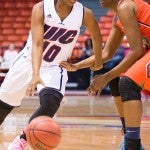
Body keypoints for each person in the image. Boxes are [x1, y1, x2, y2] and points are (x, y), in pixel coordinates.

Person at [0, 0, 103, 149]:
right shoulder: (41, 8)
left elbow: (97, 36)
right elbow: (37, 44)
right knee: (3, 105)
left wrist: (98, 61)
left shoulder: (85, 13)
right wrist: (35, 74)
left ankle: (22, 140)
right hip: (28, 61)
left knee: (52, 102)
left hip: (55, 66)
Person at [60, 0, 150, 149]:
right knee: (116, 80)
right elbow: (106, 53)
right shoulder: (117, 17)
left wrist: (104, 78)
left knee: (127, 83)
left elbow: (137, 51)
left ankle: (132, 145)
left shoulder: (126, 6)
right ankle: (129, 137)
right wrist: (76, 66)